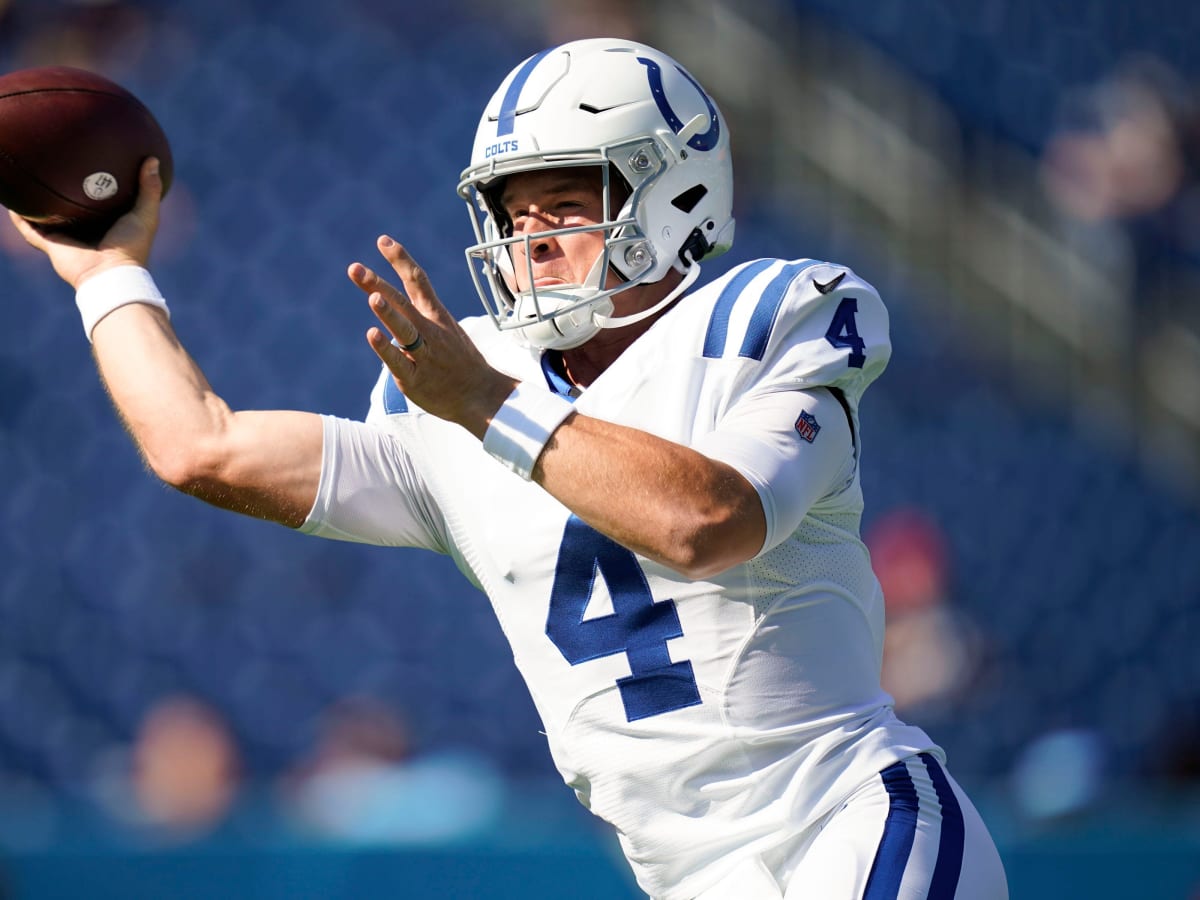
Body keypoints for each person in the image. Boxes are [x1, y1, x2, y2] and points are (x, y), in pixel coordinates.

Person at [11, 37, 1008, 900]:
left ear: (677, 193)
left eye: (565, 203)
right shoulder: (454, 399)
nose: (530, 238)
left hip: (846, 825)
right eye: (511, 211)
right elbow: (199, 446)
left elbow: (709, 522)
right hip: (688, 876)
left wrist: (490, 407)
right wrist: (107, 276)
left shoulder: (769, 316)